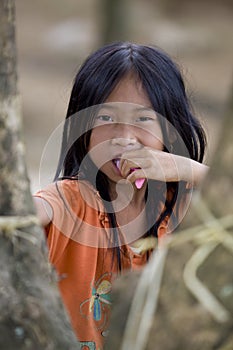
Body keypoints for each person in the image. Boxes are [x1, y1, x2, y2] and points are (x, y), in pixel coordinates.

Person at [34, 42, 208, 350]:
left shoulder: (191, 207)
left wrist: (189, 169)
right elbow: (29, 212)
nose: (124, 138)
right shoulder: (71, 201)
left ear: (170, 128)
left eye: (143, 119)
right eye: (105, 118)